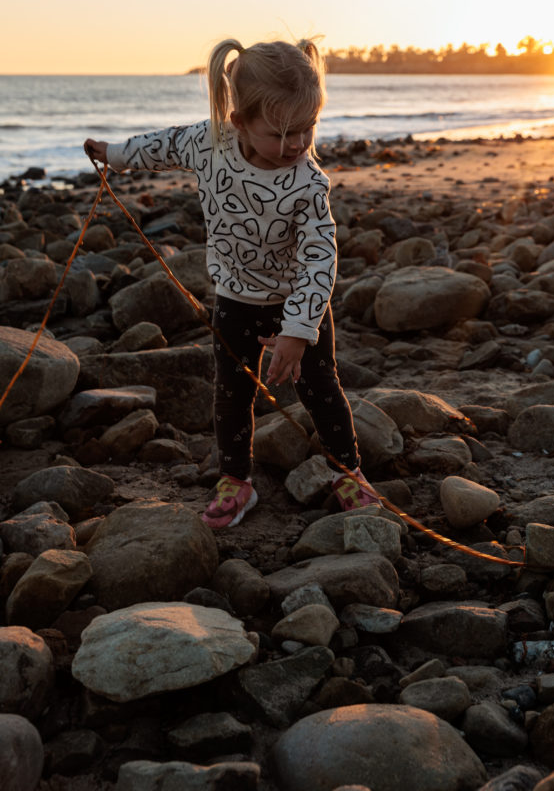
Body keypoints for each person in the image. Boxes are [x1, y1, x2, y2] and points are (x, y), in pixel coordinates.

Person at [84, 36, 378, 529]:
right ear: (239, 122)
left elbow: (320, 257)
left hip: (295, 306)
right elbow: (160, 145)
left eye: (307, 129)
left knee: (321, 388)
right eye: (282, 133)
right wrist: (112, 153)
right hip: (235, 301)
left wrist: (297, 331)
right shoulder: (210, 142)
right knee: (232, 393)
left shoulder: (307, 183)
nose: (298, 145)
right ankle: (235, 481)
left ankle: (347, 472)